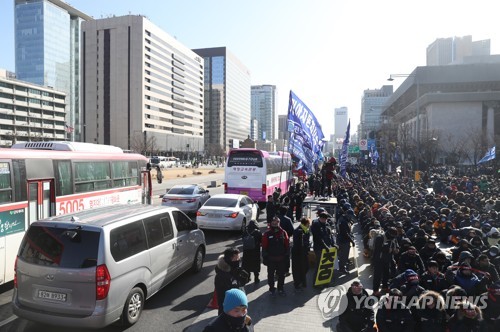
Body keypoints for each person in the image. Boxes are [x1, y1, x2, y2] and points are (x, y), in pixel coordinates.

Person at [215, 248, 250, 315]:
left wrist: (245, 278)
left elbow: (241, 285)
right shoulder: (221, 275)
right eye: (236, 259)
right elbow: (225, 294)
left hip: (238, 307)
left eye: (239, 258)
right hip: (228, 309)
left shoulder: (235, 269)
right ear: (229, 259)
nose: (238, 261)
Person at [261, 216, 290, 297]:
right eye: (273, 221)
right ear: (271, 223)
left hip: (281, 259)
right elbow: (264, 247)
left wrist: (287, 257)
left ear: (279, 222)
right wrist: (265, 258)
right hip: (271, 259)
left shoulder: (283, 232)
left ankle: (280, 288)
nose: (275, 223)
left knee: (281, 275)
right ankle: (271, 289)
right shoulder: (267, 234)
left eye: (276, 221)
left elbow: (287, 245)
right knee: (270, 275)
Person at [310, 212, 337, 286]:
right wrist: (325, 246)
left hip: (327, 247)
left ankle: (325, 280)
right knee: (319, 265)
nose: (325, 220)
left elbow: (330, 235)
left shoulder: (326, 224)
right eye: (324, 219)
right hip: (319, 248)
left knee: (327, 265)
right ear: (321, 218)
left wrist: (333, 244)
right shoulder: (315, 225)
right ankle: (316, 282)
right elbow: (318, 237)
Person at [291, 217, 311, 291]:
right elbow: (298, 243)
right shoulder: (298, 231)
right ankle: (297, 282)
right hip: (297, 252)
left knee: (306, 267)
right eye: (309, 223)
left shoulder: (306, 231)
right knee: (297, 268)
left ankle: (300, 280)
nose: (309, 225)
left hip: (304, 252)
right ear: (306, 223)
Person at [242, 220, 262, 284]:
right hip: (255, 252)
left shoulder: (245, 231)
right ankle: (256, 278)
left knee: (247, 265)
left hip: (246, 251)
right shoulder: (258, 232)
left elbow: (243, 239)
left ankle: (248, 277)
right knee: (255, 265)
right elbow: (261, 241)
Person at [336, 209, 356, 274]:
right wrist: (352, 240)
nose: (351, 217)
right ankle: (342, 268)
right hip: (343, 240)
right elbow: (345, 233)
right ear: (348, 215)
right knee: (344, 255)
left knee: (342, 255)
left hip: (341, 239)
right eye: (351, 216)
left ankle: (342, 266)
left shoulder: (342, 219)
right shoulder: (344, 221)